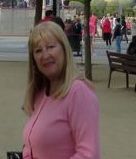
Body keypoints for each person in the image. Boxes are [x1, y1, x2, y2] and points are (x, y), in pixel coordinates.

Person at [22, 21, 100, 159]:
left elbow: (88, 154)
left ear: (64, 49)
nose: (45, 55)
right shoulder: (41, 93)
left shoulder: (78, 92)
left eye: (51, 47)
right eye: (38, 50)